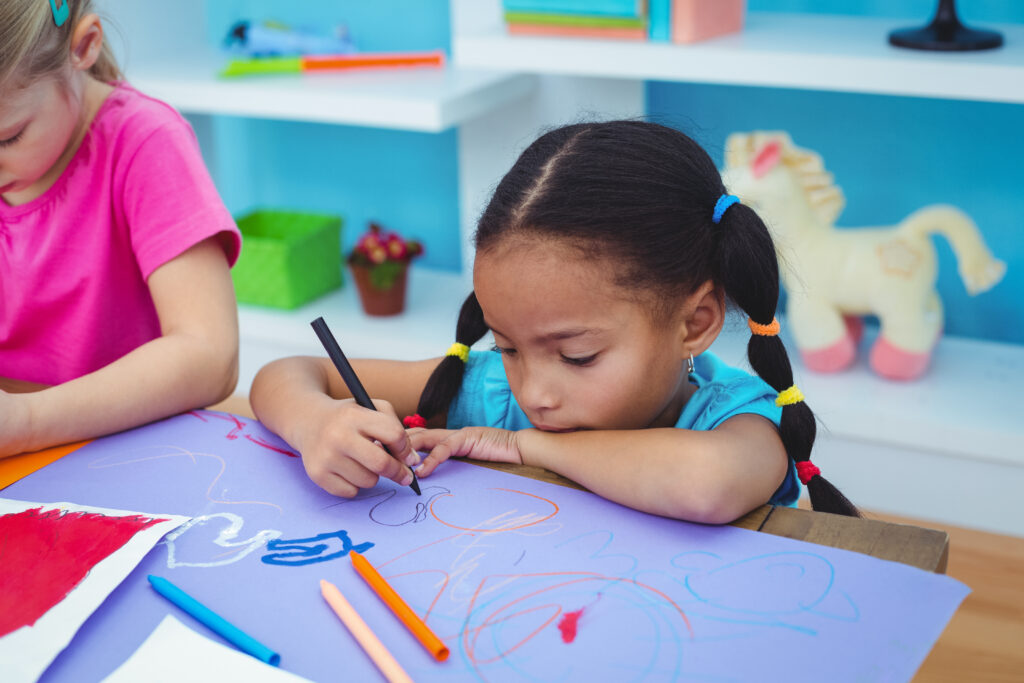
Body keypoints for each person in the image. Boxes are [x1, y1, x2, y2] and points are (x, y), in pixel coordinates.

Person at [251, 120, 858, 523]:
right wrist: (317, 423)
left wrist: (518, 445)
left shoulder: (739, 418)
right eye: (507, 345)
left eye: (576, 357)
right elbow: (288, 372)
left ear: (694, 323)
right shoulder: (486, 387)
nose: (532, 392)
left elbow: (708, 486)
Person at [0, 1, 241, 457]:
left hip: (126, 452)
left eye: (7, 138)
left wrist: (27, 422)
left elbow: (211, 356)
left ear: (84, 47)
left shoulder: (144, 142)